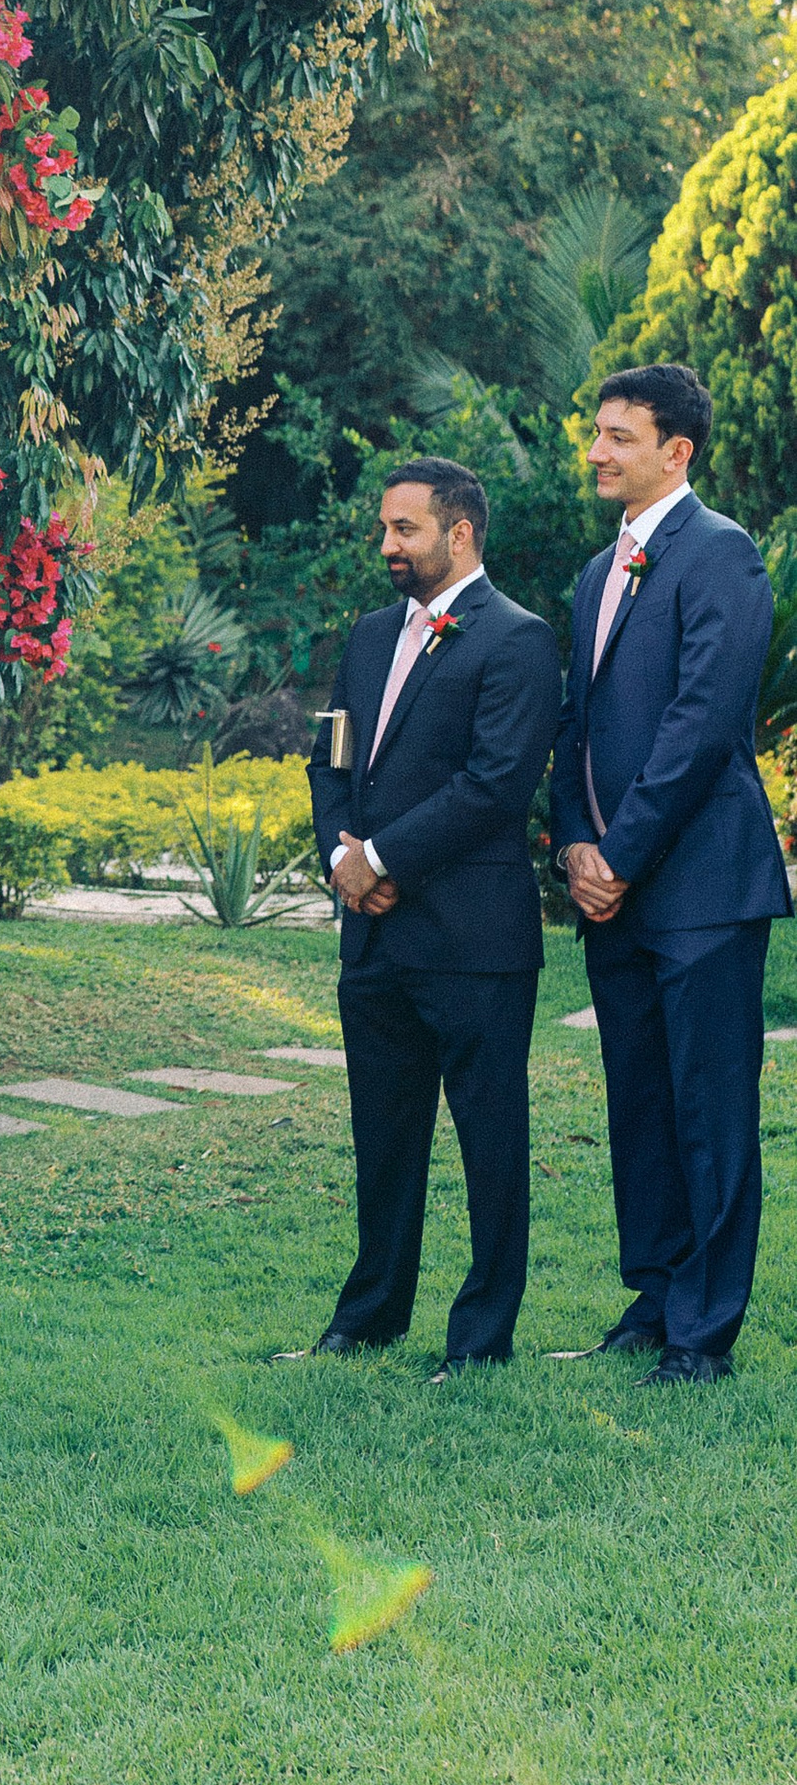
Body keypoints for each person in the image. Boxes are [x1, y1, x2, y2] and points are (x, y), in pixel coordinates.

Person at [284, 460, 560, 1378]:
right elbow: (331, 759)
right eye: (385, 530)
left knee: (490, 1143)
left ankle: (480, 1340)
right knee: (384, 1135)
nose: (387, 548)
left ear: (460, 533)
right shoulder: (367, 638)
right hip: (373, 937)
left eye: (405, 530)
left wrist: (384, 859)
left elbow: (495, 786)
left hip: (473, 938)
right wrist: (340, 861)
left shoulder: (519, 641)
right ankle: (369, 1316)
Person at [550, 364, 791, 1382]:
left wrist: (622, 854)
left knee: (708, 1109)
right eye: (597, 434)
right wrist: (571, 843)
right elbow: (577, 724)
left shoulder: (721, 557)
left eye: (618, 435)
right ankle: (652, 1299)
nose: (597, 451)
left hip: (699, 887)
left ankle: (703, 1334)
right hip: (613, 894)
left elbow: (699, 729)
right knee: (639, 1104)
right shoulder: (593, 576)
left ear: (674, 451)